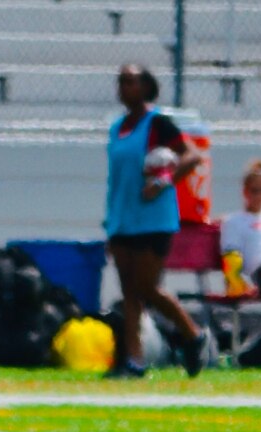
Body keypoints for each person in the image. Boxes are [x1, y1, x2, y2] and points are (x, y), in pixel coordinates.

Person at [104, 63, 211, 378]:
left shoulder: (158, 123)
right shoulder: (117, 127)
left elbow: (191, 156)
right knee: (129, 291)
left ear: (147, 87)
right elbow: (117, 178)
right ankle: (134, 361)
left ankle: (192, 334)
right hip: (123, 218)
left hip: (153, 219)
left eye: (131, 81)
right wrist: (110, 222)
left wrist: (163, 181)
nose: (125, 87)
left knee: (147, 287)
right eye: (121, 82)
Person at [220, 159, 261, 340]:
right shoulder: (234, 221)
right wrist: (235, 283)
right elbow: (231, 256)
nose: (258, 196)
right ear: (245, 191)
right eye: (254, 191)